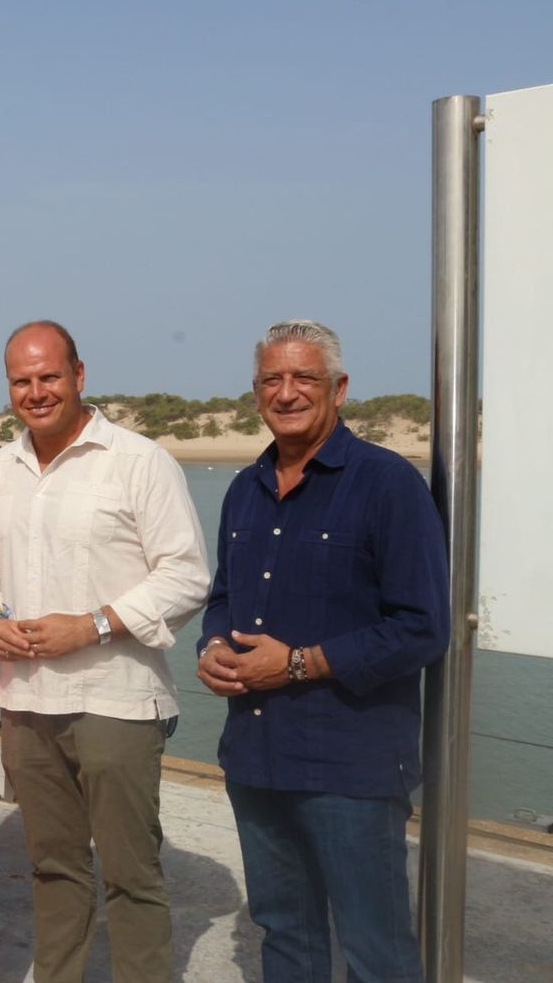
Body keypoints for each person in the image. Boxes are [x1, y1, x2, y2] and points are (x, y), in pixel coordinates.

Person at [196, 320, 448, 983]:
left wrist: (299, 662)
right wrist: (213, 644)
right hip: (256, 758)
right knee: (285, 938)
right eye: (271, 380)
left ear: (338, 389)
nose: (286, 393)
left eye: (303, 377)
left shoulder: (387, 484)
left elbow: (422, 626)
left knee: (376, 951)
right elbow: (222, 596)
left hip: (351, 767)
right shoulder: (244, 490)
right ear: (256, 394)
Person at [0, 321, 210, 983]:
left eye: (49, 376)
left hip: (117, 700)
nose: (36, 391)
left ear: (79, 375)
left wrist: (94, 624)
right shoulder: (0, 471)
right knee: (53, 867)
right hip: (26, 701)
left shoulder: (138, 460)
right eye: (22, 380)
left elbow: (187, 575)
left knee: (131, 876)